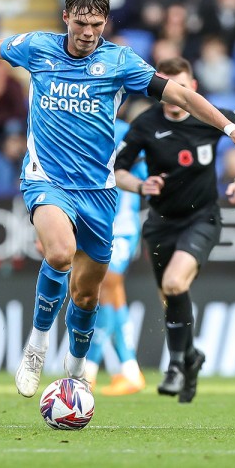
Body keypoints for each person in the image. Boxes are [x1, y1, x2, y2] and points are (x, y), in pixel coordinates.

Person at [0, 0, 235, 398]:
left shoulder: (119, 61)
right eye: (81, 23)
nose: (88, 32)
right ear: (66, 17)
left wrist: (230, 128)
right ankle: (37, 344)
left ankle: (76, 368)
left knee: (86, 296)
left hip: (98, 192)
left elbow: (181, 95)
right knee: (59, 253)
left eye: (97, 25)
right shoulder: (38, 48)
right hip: (46, 179)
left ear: (106, 23)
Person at [113, 56, 235, 403]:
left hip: (201, 218)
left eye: (179, 86)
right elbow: (118, 171)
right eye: (167, 87)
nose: (173, 94)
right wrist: (140, 186)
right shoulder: (145, 124)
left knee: (175, 283)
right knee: (170, 297)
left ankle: (176, 364)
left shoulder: (207, 116)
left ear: (191, 87)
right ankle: (191, 356)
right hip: (160, 224)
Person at [83, 117, 148, 396]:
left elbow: (143, 173)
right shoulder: (80, 123)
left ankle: (89, 370)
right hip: (95, 223)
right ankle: (130, 370)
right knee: (110, 291)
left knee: (108, 283)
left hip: (122, 224)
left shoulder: (124, 131)